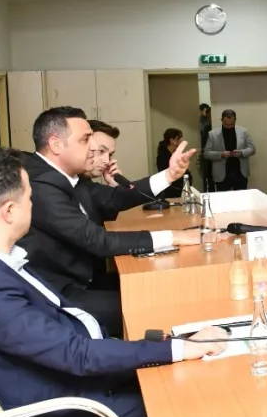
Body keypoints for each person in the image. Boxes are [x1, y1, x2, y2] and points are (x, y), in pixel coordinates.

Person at [0, 147, 228, 417]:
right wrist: (178, 348)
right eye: (30, 198)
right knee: (214, 405)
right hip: (77, 414)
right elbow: (76, 356)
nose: (34, 205)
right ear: (9, 211)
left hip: (86, 378)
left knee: (204, 374)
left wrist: (171, 346)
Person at [17, 108, 199, 334]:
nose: (92, 148)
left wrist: (169, 175)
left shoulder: (65, 176)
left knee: (158, 286)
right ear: (56, 145)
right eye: (85, 140)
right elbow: (97, 240)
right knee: (150, 304)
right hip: (58, 294)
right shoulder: (40, 184)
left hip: (82, 279)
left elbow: (113, 198)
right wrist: (174, 237)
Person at [203, 109, 255, 192]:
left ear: (235, 120)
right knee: (223, 198)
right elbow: (206, 153)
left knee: (242, 198)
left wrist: (241, 153)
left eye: (231, 124)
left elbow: (252, 149)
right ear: (221, 120)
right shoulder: (213, 134)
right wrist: (221, 154)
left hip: (240, 173)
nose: (229, 127)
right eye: (226, 124)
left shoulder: (244, 132)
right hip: (221, 174)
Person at [155, 127, 185, 198]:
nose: (180, 142)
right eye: (178, 139)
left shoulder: (175, 154)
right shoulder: (163, 156)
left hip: (180, 189)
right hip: (171, 191)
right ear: (171, 140)